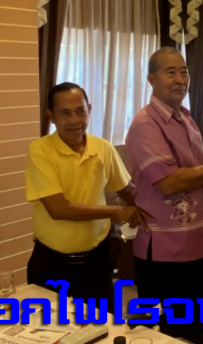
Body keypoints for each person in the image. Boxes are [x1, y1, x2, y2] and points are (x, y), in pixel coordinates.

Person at [125, 47, 203, 344]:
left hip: (197, 242)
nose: (180, 79)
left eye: (184, 71)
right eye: (171, 72)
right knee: (161, 336)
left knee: (191, 329)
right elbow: (169, 183)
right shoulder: (145, 124)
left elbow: (201, 175)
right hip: (163, 248)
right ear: (151, 79)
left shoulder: (186, 119)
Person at [25, 82, 148, 302]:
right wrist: (116, 212)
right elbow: (58, 209)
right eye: (65, 113)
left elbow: (128, 191)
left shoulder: (102, 147)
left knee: (102, 322)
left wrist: (164, 206)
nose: (75, 120)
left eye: (80, 111)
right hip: (52, 265)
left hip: (97, 262)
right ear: (51, 116)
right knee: (50, 324)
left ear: (89, 110)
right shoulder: (40, 150)